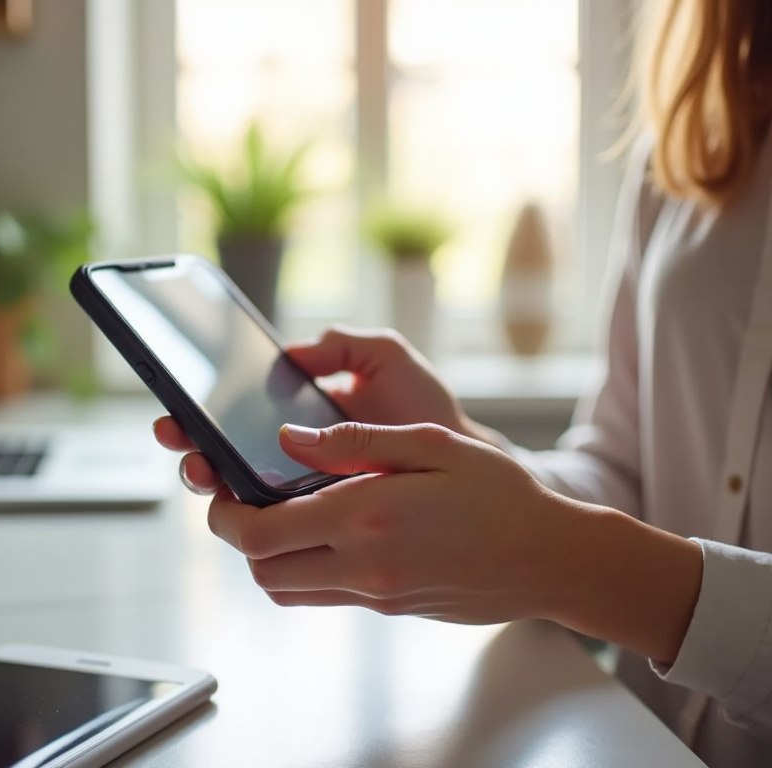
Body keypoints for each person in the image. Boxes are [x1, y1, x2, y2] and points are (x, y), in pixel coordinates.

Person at [154, 1, 772, 765]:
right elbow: (627, 479)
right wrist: (460, 443)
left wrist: (556, 559)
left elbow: (596, 554)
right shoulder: (689, 147)